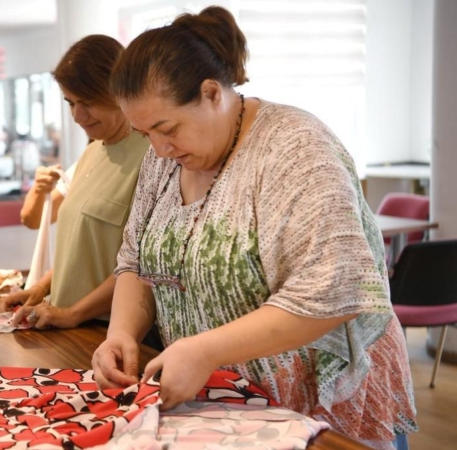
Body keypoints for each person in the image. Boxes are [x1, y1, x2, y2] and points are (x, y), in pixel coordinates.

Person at [91, 7, 416, 450]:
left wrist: (205, 350)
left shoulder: (296, 149)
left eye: (167, 129)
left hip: (319, 403)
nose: (160, 149)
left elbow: (333, 293)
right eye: (144, 134)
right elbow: (135, 261)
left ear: (211, 93)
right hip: (227, 402)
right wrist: (120, 334)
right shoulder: (164, 159)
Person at [0, 35, 150, 331]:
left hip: (108, 330)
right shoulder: (92, 152)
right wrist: (40, 289)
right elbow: (78, 252)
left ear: (119, 92)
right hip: (65, 322)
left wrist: (73, 314)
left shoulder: (151, 156)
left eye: (88, 103)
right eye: (71, 103)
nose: (78, 116)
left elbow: (141, 266)